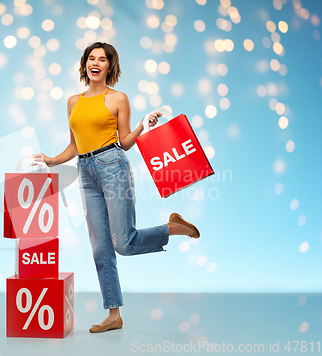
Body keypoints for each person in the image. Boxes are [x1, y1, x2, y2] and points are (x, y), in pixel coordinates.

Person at [32, 42, 200, 333]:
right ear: (85, 64)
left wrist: (143, 127)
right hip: (84, 171)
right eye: (91, 58)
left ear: (110, 66)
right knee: (100, 249)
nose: (95, 63)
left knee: (123, 243)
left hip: (113, 166)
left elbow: (124, 142)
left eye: (102, 59)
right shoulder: (73, 102)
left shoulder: (118, 98)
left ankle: (173, 227)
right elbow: (74, 145)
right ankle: (113, 314)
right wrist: (51, 160)